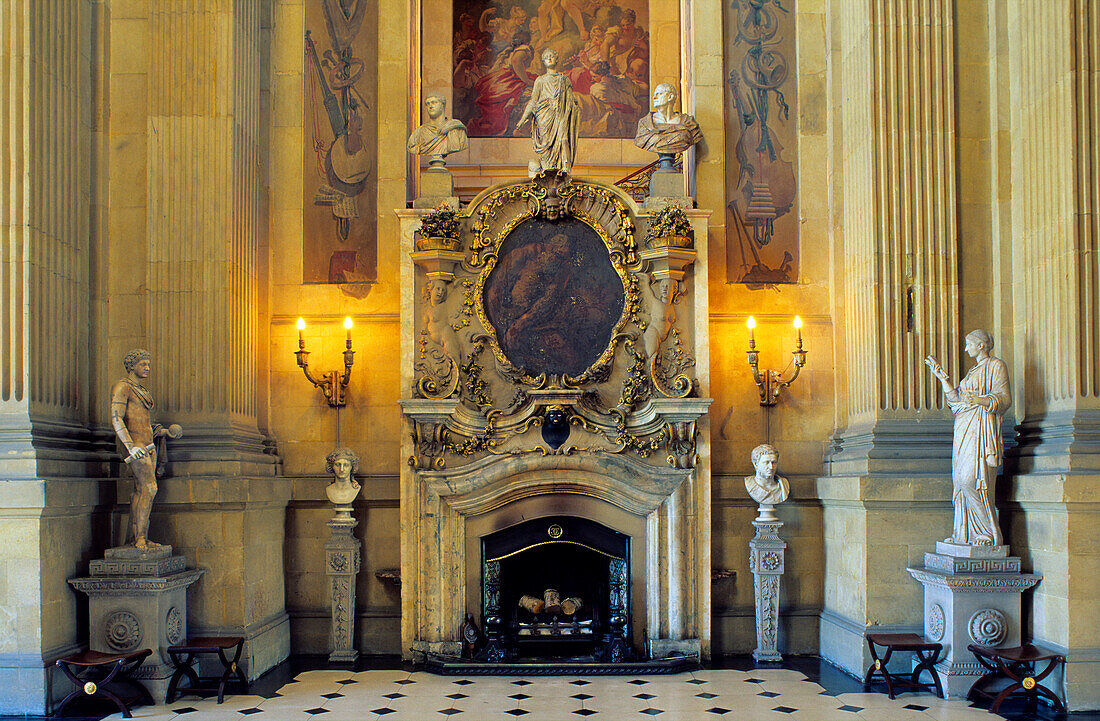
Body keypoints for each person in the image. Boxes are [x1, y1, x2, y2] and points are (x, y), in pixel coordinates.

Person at [925, 330, 1010, 546]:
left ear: (981, 345)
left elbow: (1004, 399)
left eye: (968, 344)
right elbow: (957, 404)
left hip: (981, 429)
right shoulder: (972, 372)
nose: (965, 349)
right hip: (964, 428)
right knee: (960, 483)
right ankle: (964, 534)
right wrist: (943, 379)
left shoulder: (996, 366)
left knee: (971, 480)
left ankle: (987, 534)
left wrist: (980, 400)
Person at [110, 349, 180, 552]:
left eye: (148, 364)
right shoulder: (123, 387)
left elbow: (145, 422)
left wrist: (164, 432)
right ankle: (139, 538)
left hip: (148, 446)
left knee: (142, 491)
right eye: (143, 364)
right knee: (149, 489)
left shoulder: (141, 390)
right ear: (132, 366)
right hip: (137, 448)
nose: (147, 368)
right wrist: (130, 447)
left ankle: (140, 537)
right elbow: (116, 418)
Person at [517, 48, 580, 174]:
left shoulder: (564, 79)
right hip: (544, 117)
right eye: (546, 57)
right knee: (546, 145)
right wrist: (523, 118)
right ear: (543, 61)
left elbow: (571, 99)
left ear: (556, 59)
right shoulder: (540, 80)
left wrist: (572, 105)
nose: (549, 59)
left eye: (552, 56)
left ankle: (565, 169)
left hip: (561, 114)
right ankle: (546, 170)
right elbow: (533, 101)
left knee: (563, 139)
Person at [634, 82, 703, 157]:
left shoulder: (688, 122)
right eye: (654, 95)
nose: (654, 97)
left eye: (659, 94)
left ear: (670, 97)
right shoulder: (645, 124)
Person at [407, 94, 469, 165]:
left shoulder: (456, 128)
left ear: (442, 105)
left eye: (434, 103)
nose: (430, 106)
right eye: (428, 104)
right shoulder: (419, 132)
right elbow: (412, 147)